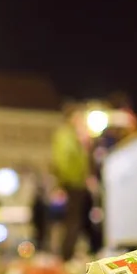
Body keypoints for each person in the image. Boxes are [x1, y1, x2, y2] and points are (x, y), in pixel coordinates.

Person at [52, 104, 92, 261]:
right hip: (73, 182)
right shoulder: (66, 135)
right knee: (73, 220)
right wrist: (65, 180)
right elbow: (64, 159)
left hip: (77, 182)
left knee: (77, 218)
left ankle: (70, 252)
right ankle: (67, 254)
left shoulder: (72, 136)